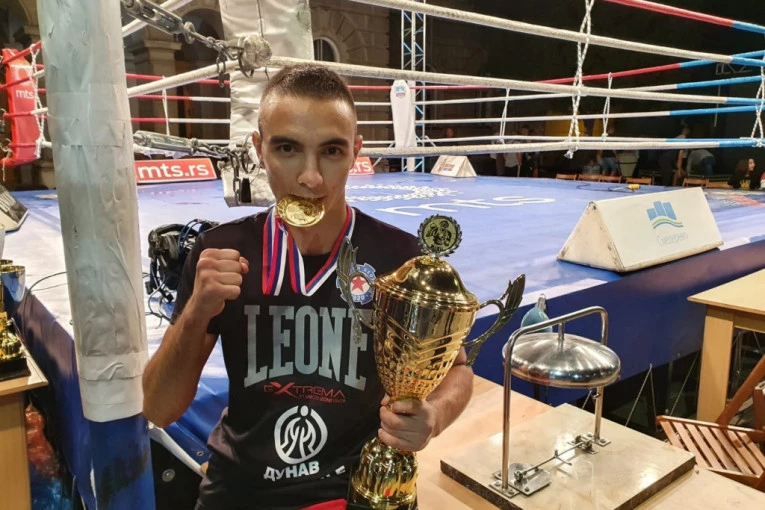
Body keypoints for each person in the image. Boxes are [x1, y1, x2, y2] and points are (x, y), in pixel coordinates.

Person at [142, 64, 475, 510]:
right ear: (259, 150)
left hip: (360, 487)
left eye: (331, 151)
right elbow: (158, 408)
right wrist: (196, 314)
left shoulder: (401, 258)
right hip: (242, 489)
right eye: (288, 148)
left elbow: (457, 371)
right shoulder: (220, 251)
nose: (311, 178)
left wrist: (434, 416)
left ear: (356, 152)